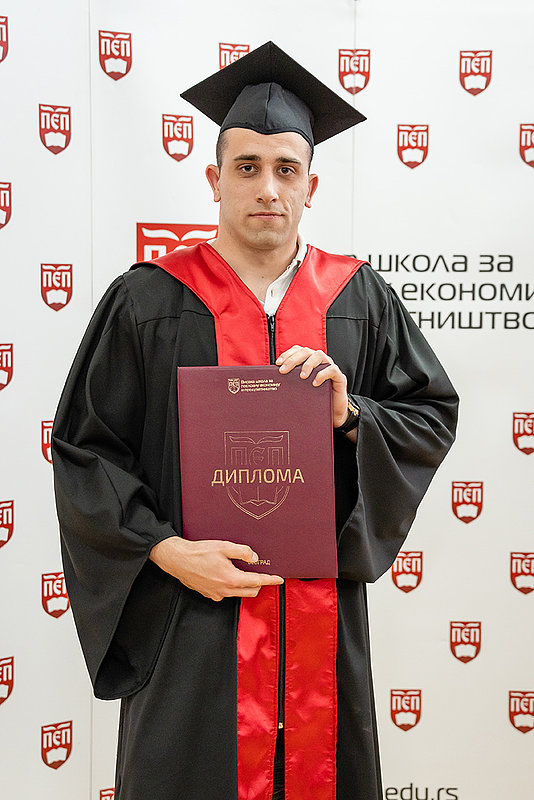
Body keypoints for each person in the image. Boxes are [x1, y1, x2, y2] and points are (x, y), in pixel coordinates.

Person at [52, 42, 458, 800]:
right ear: (215, 180)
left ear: (311, 184)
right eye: (246, 167)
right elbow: (86, 453)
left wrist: (352, 415)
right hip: (190, 626)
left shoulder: (359, 298)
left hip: (316, 632)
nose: (267, 188)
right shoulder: (149, 299)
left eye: (285, 169)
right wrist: (167, 551)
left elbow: (429, 413)